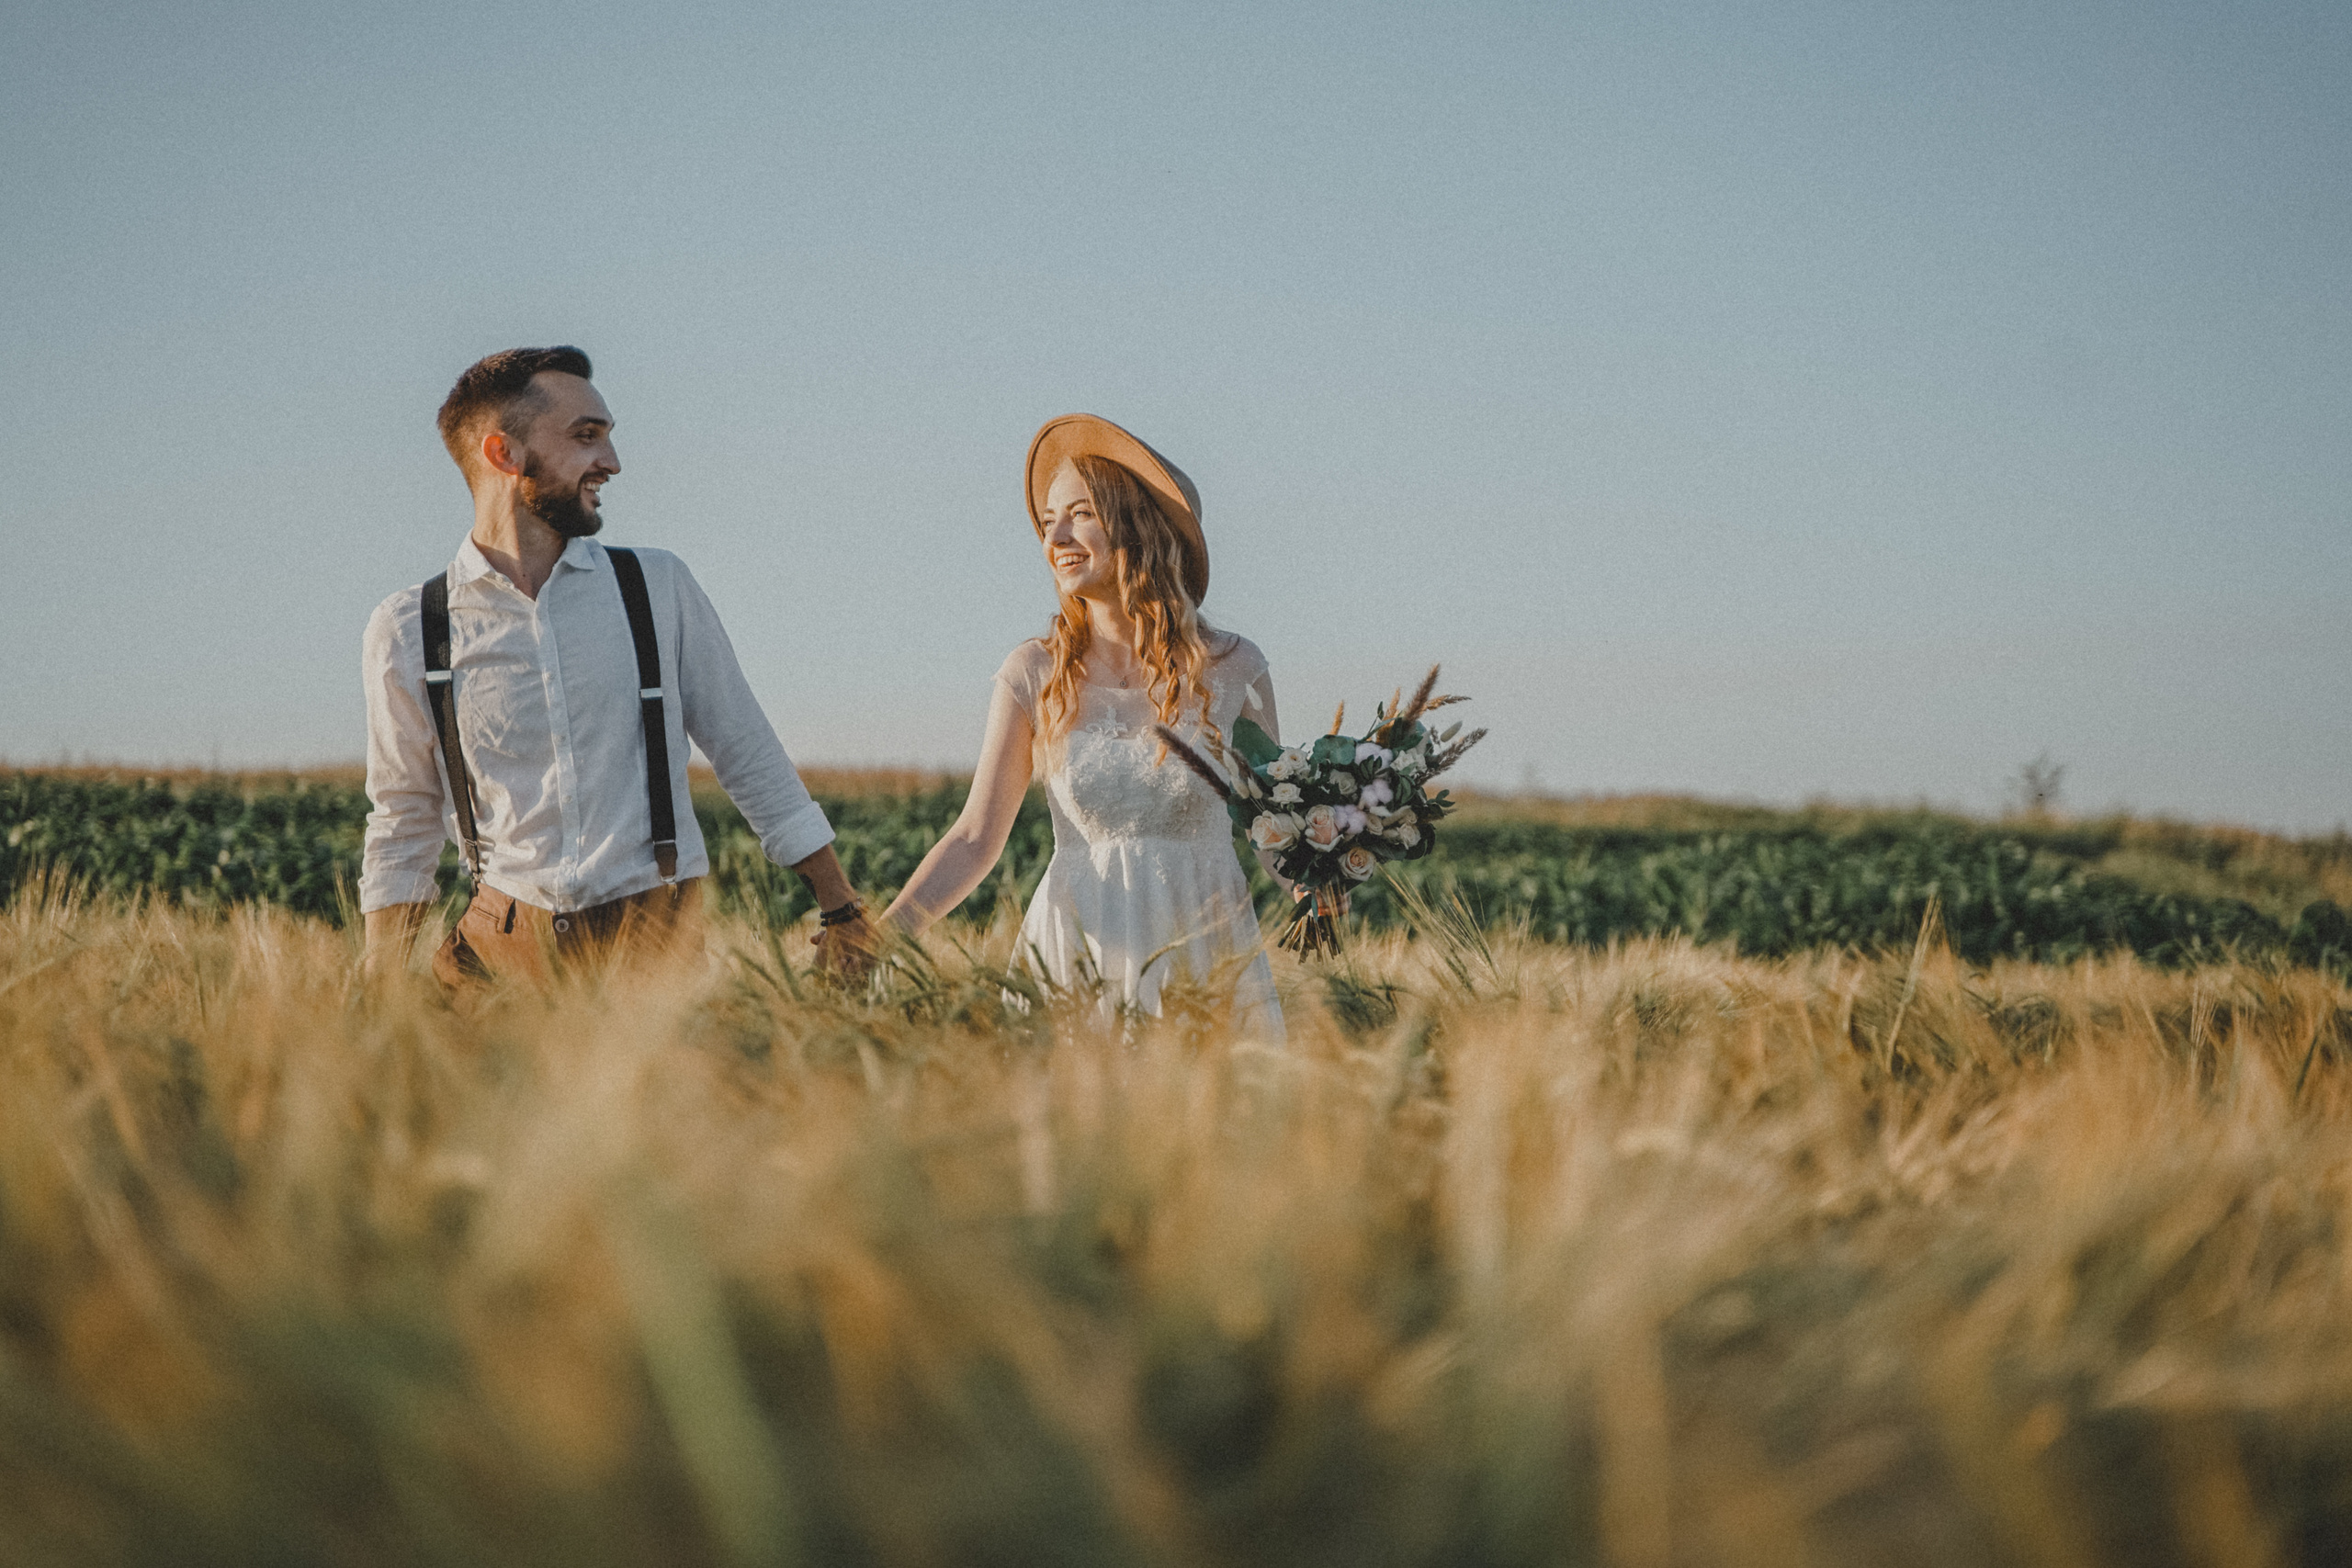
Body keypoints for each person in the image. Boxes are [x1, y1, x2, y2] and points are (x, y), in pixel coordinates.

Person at [358, 345, 874, 982]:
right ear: (504, 454)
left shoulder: (656, 587)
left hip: (655, 949)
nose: (613, 461)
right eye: (586, 436)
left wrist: (841, 905)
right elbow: (404, 816)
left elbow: (747, 751)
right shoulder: (409, 628)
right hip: (496, 956)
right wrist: (380, 988)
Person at [882, 414, 1286, 1039]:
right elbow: (975, 836)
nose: (1056, 537)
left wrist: (1330, 866)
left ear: (1135, 524)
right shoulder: (1034, 672)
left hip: (1204, 951)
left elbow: (1272, 826)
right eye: (1048, 523)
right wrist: (884, 935)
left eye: (1080, 514)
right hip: (1075, 958)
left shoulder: (1236, 668)